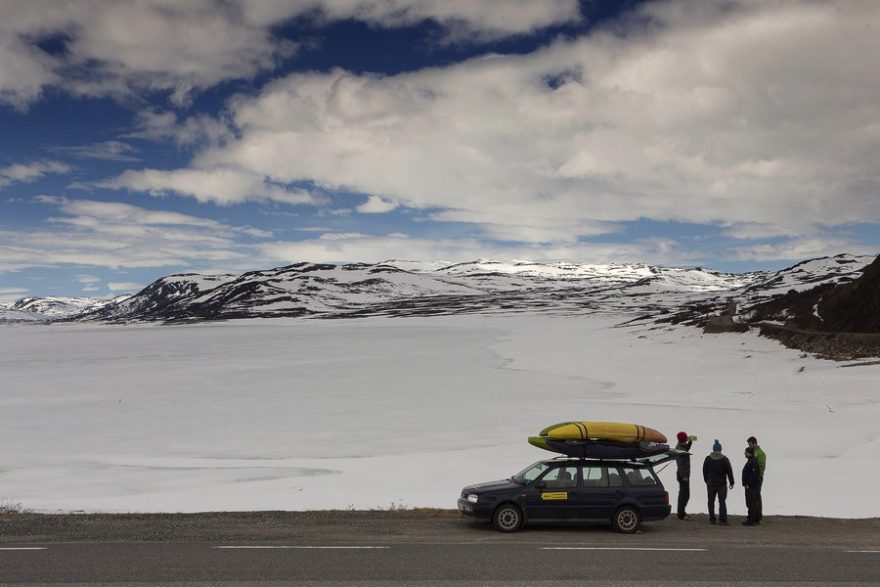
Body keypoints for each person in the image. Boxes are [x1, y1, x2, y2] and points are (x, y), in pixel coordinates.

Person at [703, 439, 734, 525]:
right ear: (720, 449)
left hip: (711, 483)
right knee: (722, 501)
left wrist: (706, 480)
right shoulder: (724, 459)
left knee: (710, 501)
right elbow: (729, 472)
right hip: (721, 484)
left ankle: (712, 519)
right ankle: (722, 520)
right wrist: (732, 482)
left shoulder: (708, 459)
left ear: (713, 449)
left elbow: (704, 471)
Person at [675, 431, 696, 520]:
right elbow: (680, 464)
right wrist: (684, 475)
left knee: (684, 494)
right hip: (682, 475)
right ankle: (681, 514)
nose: (687, 437)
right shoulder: (679, 449)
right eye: (686, 437)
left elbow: (687, 448)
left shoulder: (681, 446)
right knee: (684, 495)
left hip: (684, 474)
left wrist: (690, 441)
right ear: (683, 439)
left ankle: (681, 512)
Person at [747, 436, 766, 523]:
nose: (749, 446)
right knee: (757, 497)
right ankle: (757, 515)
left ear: (755, 443)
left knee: (755, 497)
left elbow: (757, 467)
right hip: (758, 477)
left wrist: (756, 477)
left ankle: (757, 516)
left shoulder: (758, 453)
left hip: (757, 478)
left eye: (750, 444)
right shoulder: (758, 452)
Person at [742, 446, 761, 526]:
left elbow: (753, 475)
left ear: (749, 453)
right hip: (752, 486)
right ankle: (753, 518)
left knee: (750, 503)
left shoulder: (752, 462)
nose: (744, 454)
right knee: (751, 502)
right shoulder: (751, 461)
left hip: (751, 487)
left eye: (745, 452)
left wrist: (748, 484)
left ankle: (752, 520)